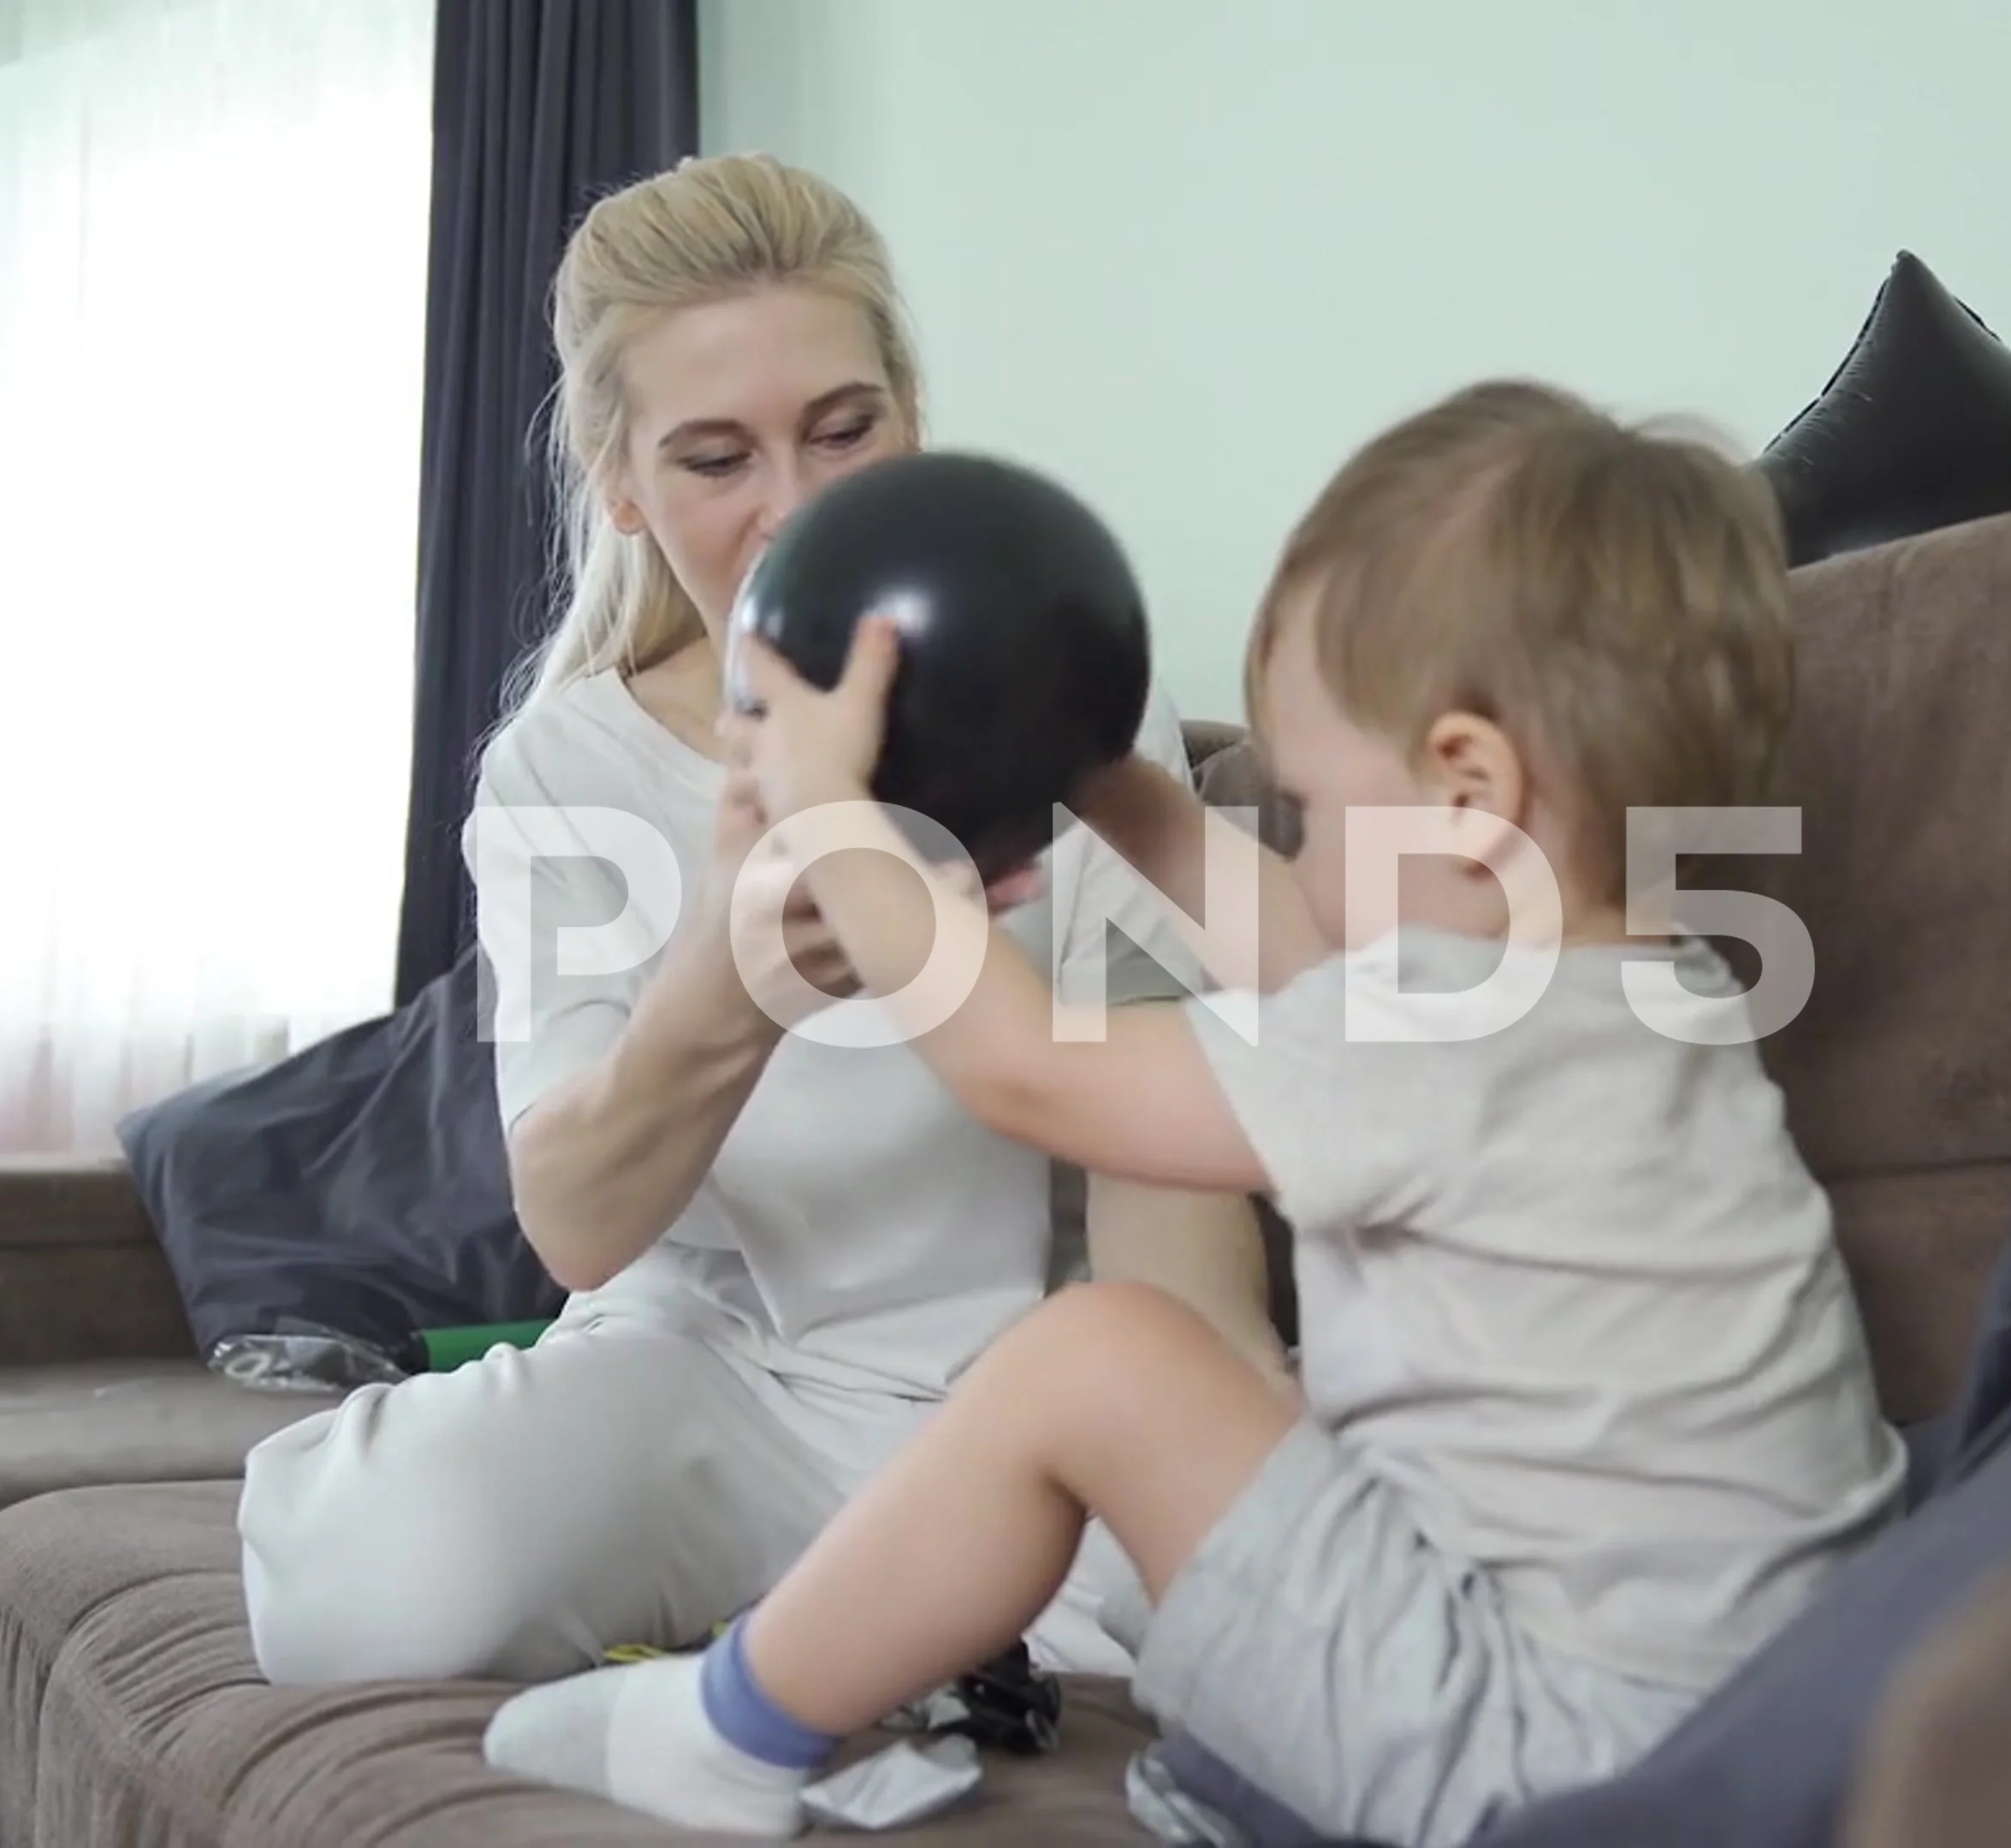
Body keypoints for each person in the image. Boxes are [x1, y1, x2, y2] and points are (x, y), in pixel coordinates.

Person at [477, 379, 1913, 1843]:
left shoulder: (1451, 1042)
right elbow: (1312, 960)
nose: (1303, 850)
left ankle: (724, 1730)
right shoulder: (1629, 998)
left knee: (1098, 1357)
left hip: (1551, 1758)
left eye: (1317, 809)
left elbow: (1026, 1070)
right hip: (1762, 1724)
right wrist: (1107, 787)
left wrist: (837, 814)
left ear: (1473, 793)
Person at [234, 152, 1288, 1691]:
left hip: (1027, 1394)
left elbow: (1174, 1222)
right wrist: (726, 984)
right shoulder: (562, 769)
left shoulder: (1073, 702)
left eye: (844, 432)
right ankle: (847, 1616)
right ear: (622, 482)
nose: (795, 513)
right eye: (717, 459)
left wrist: (1240, 1477)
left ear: (912, 415)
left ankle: (835, 1622)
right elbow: (581, 1224)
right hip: (712, 1380)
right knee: (369, 1587)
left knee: (1251, 1594)